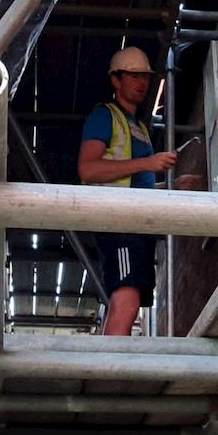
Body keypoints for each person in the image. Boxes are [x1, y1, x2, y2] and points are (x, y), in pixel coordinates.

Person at [78, 46, 177, 336]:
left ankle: (107, 365)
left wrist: (173, 186)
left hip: (134, 222)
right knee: (127, 297)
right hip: (117, 220)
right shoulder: (105, 115)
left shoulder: (140, 127)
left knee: (127, 297)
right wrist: (148, 162)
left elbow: (136, 182)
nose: (141, 82)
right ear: (116, 80)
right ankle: (109, 374)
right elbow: (89, 170)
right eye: (133, 75)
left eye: (145, 76)